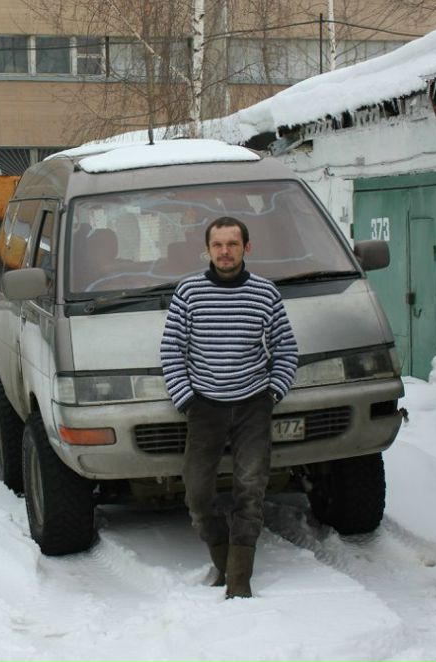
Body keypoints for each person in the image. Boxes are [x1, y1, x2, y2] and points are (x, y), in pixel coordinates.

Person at [159, 216, 298, 598]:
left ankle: (239, 582)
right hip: (204, 407)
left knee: (249, 491)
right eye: (218, 245)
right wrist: (187, 399)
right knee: (197, 494)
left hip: (253, 404)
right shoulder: (189, 292)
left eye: (232, 244)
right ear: (207, 249)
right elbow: (171, 350)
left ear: (246, 248)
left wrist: (272, 394)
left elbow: (286, 349)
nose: (225, 252)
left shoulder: (265, 293)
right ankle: (223, 560)